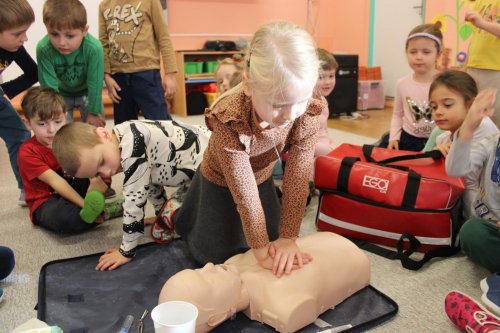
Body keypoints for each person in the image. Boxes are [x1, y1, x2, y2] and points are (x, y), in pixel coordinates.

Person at [161, 21, 325, 278]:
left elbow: (297, 176)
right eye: (279, 104)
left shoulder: (308, 112)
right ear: (248, 85)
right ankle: (178, 208)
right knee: (215, 258)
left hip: (262, 177)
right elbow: (245, 195)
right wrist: (260, 250)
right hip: (219, 181)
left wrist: (288, 237)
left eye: (300, 101)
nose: (290, 114)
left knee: (271, 238)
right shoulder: (230, 116)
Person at [52, 120, 211, 270]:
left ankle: (175, 209)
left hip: (212, 166)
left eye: (102, 162)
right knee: (167, 216)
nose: (108, 172)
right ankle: (168, 211)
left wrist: (126, 251)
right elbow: (150, 180)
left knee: (196, 225)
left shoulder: (133, 149)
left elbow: (134, 201)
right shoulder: (121, 133)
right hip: (200, 164)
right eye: (97, 173)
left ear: (104, 134)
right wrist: (159, 211)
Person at [158, 232, 371, 333]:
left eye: (199, 269)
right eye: (207, 279)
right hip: (350, 257)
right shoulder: (283, 308)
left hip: (331, 243)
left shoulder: (232, 263)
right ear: (217, 318)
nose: (209, 266)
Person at [17, 86, 111, 234]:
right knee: (65, 219)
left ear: (65, 117)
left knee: (101, 166)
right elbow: (57, 182)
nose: (51, 130)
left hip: (73, 187)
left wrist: (96, 180)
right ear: (28, 123)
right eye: (42, 124)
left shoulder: (71, 138)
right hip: (46, 201)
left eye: (57, 121)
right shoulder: (27, 152)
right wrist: (84, 205)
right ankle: (101, 211)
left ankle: (95, 210)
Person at [425, 70, 498, 219]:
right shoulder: (442, 136)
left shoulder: (483, 128)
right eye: (433, 107)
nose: (438, 112)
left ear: (471, 105)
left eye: (447, 104)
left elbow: (467, 180)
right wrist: (436, 153)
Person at [445, 87, 499, 273]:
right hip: (491, 227)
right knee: (471, 233)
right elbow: (455, 169)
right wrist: (467, 129)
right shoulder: (491, 144)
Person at [99, 0, 178, 125]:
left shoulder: (151, 2)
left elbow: (163, 36)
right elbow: (103, 44)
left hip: (147, 75)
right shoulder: (104, 5)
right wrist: (106, 76)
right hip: (119, 78)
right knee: (124, 128)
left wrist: (170, 73)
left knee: (161, 125)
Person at [36, 0, 106, 128]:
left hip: (87, 92)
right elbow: (49, 88)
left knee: (95, 131)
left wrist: (94, 112)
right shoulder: (43, 49)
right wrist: (58, 114)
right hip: (60, 94)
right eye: (54, 34)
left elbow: (95, 83)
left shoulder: (94, 48)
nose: (62, 42)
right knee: (60, 131)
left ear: (84, 31)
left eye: (70, 36)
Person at [378, 23, 442, 152]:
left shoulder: (445, 83)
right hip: (408, 139)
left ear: (438, 54)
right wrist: (394, 138)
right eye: (413, 52)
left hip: (438, 141)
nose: (418, 57)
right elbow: (397, 115)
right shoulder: (402, 84)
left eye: (426, 52)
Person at [0, 0, 37, 206]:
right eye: (17, 34)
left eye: (25, 31)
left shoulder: (14, 48)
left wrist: (6, 90)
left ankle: (26, 189)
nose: (25, 38)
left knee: (20, 134)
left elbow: (34, 73)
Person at [464, 0, 500, 127]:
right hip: (474, 67)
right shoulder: (481, 2)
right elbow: (477, 37)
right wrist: (466, 65)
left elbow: (482, 26)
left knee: (493, 117)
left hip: (495, 69)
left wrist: (483, 23)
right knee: (473, 115)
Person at [314, 48, 338, 157]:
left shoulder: (323, 100)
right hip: (308, 149)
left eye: (331, 76)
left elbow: (323, 130)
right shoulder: (305, 105)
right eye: (321, 77)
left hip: (322, 144)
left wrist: (331, 143)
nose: (328, 82)